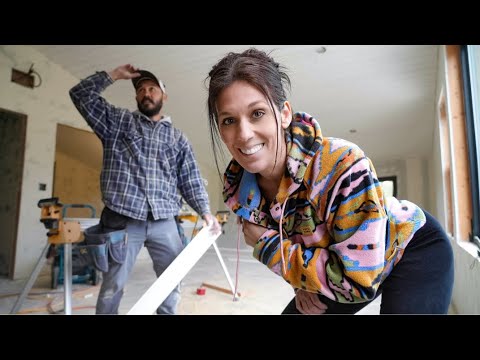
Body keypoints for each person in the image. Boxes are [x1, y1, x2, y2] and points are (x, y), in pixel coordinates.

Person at [205, 48, 454, 314]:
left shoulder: (342, 164)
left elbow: (358, 284)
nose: (243, 134)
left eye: (257, 113)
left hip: (411, 250)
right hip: (339, 261)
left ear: (284, 114)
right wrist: (300, 285)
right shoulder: (243, 194)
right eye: (229, 120)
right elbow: (298, 238)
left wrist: (268, 246)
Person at [70, 64, 221, 314]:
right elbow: (80, 94)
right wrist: (114, 75)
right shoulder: (117, 123)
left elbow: (190, 178)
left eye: (152, 88)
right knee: (112, 286)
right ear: (136, 97)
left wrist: (205, 211)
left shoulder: (177, 138)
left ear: (164, 96)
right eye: (141, 89)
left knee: (172, 280)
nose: (146, 93)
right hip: (123, 220)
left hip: (164, 221)